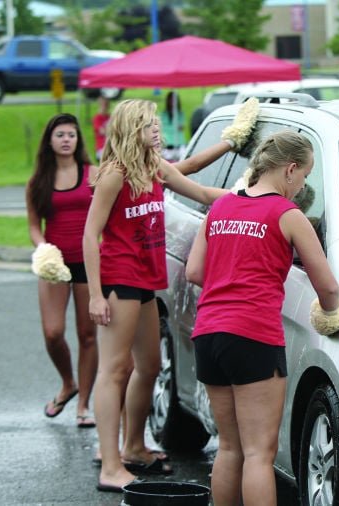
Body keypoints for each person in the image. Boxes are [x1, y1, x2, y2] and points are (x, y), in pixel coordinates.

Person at [83, 98, 234, 493]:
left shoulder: (152, 167)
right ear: (132, 128)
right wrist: (95, 295)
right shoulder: (114, 174)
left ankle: (134, 447)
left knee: (147, 366)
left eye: (156, 124)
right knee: (114, 371)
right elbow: (90, 233)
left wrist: (251, 197)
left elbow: (200, 191)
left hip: (146, 281)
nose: (158, 130)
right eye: (150, 125)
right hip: (119, 280)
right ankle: (110, 464)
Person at [185, 129, 339, 506]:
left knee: (230, 447)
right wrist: (334, 314)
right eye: (304, 175)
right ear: (289, 170)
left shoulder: (221, 208)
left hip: (209, 333)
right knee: (258, 453)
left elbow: (193, 271)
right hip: (253, 335)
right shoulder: (287, 215)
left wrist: (231, 275)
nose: (302, 184)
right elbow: (330, 290)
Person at [26, 113, 99, 428]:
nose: (67, 139)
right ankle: (68, 383)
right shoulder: (38, 181)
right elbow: (33, 226)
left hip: (87, 261)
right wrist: (44, 250)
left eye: (71, 134)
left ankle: (83, 405)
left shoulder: (93, 174)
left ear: (78, 140)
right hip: (55, 263)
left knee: (87, 335)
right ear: (50, 141)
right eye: (60, 135)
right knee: (53, 333)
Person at [160, 90, 186, 161]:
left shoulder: (180, 114)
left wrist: (168, 127)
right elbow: (162, 128)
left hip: (179, 144)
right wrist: (174, 128)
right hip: (167, 145)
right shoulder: (163, 114)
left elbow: (181, 127)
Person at [92, 96, 110, 162]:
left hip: (110, 146)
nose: (105, 107)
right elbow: (102, 131)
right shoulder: (97, 118)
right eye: (103, 105)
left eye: (106, 105)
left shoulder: (110, 117)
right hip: (101, 147)